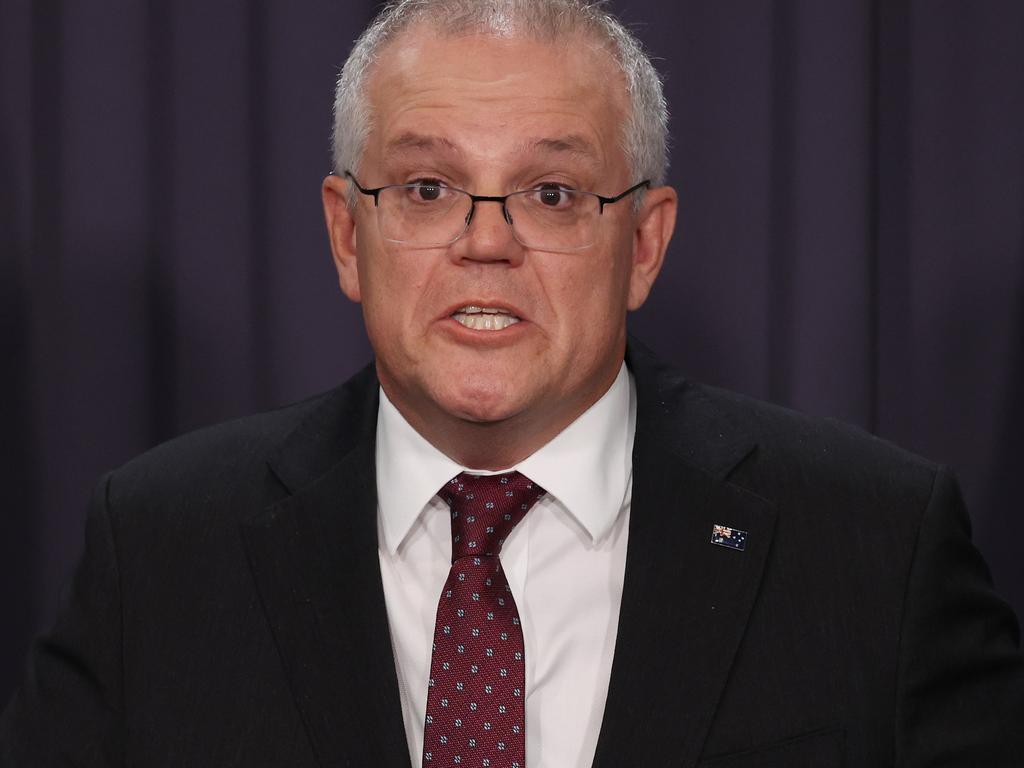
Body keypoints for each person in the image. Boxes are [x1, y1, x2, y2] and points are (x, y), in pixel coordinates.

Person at [2, 1, 1022, 766]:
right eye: (427, 188)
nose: (485, 241)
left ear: (643, 244)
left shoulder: (874, 545)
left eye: (550, 192)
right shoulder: (160, 550)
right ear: (346, 235)